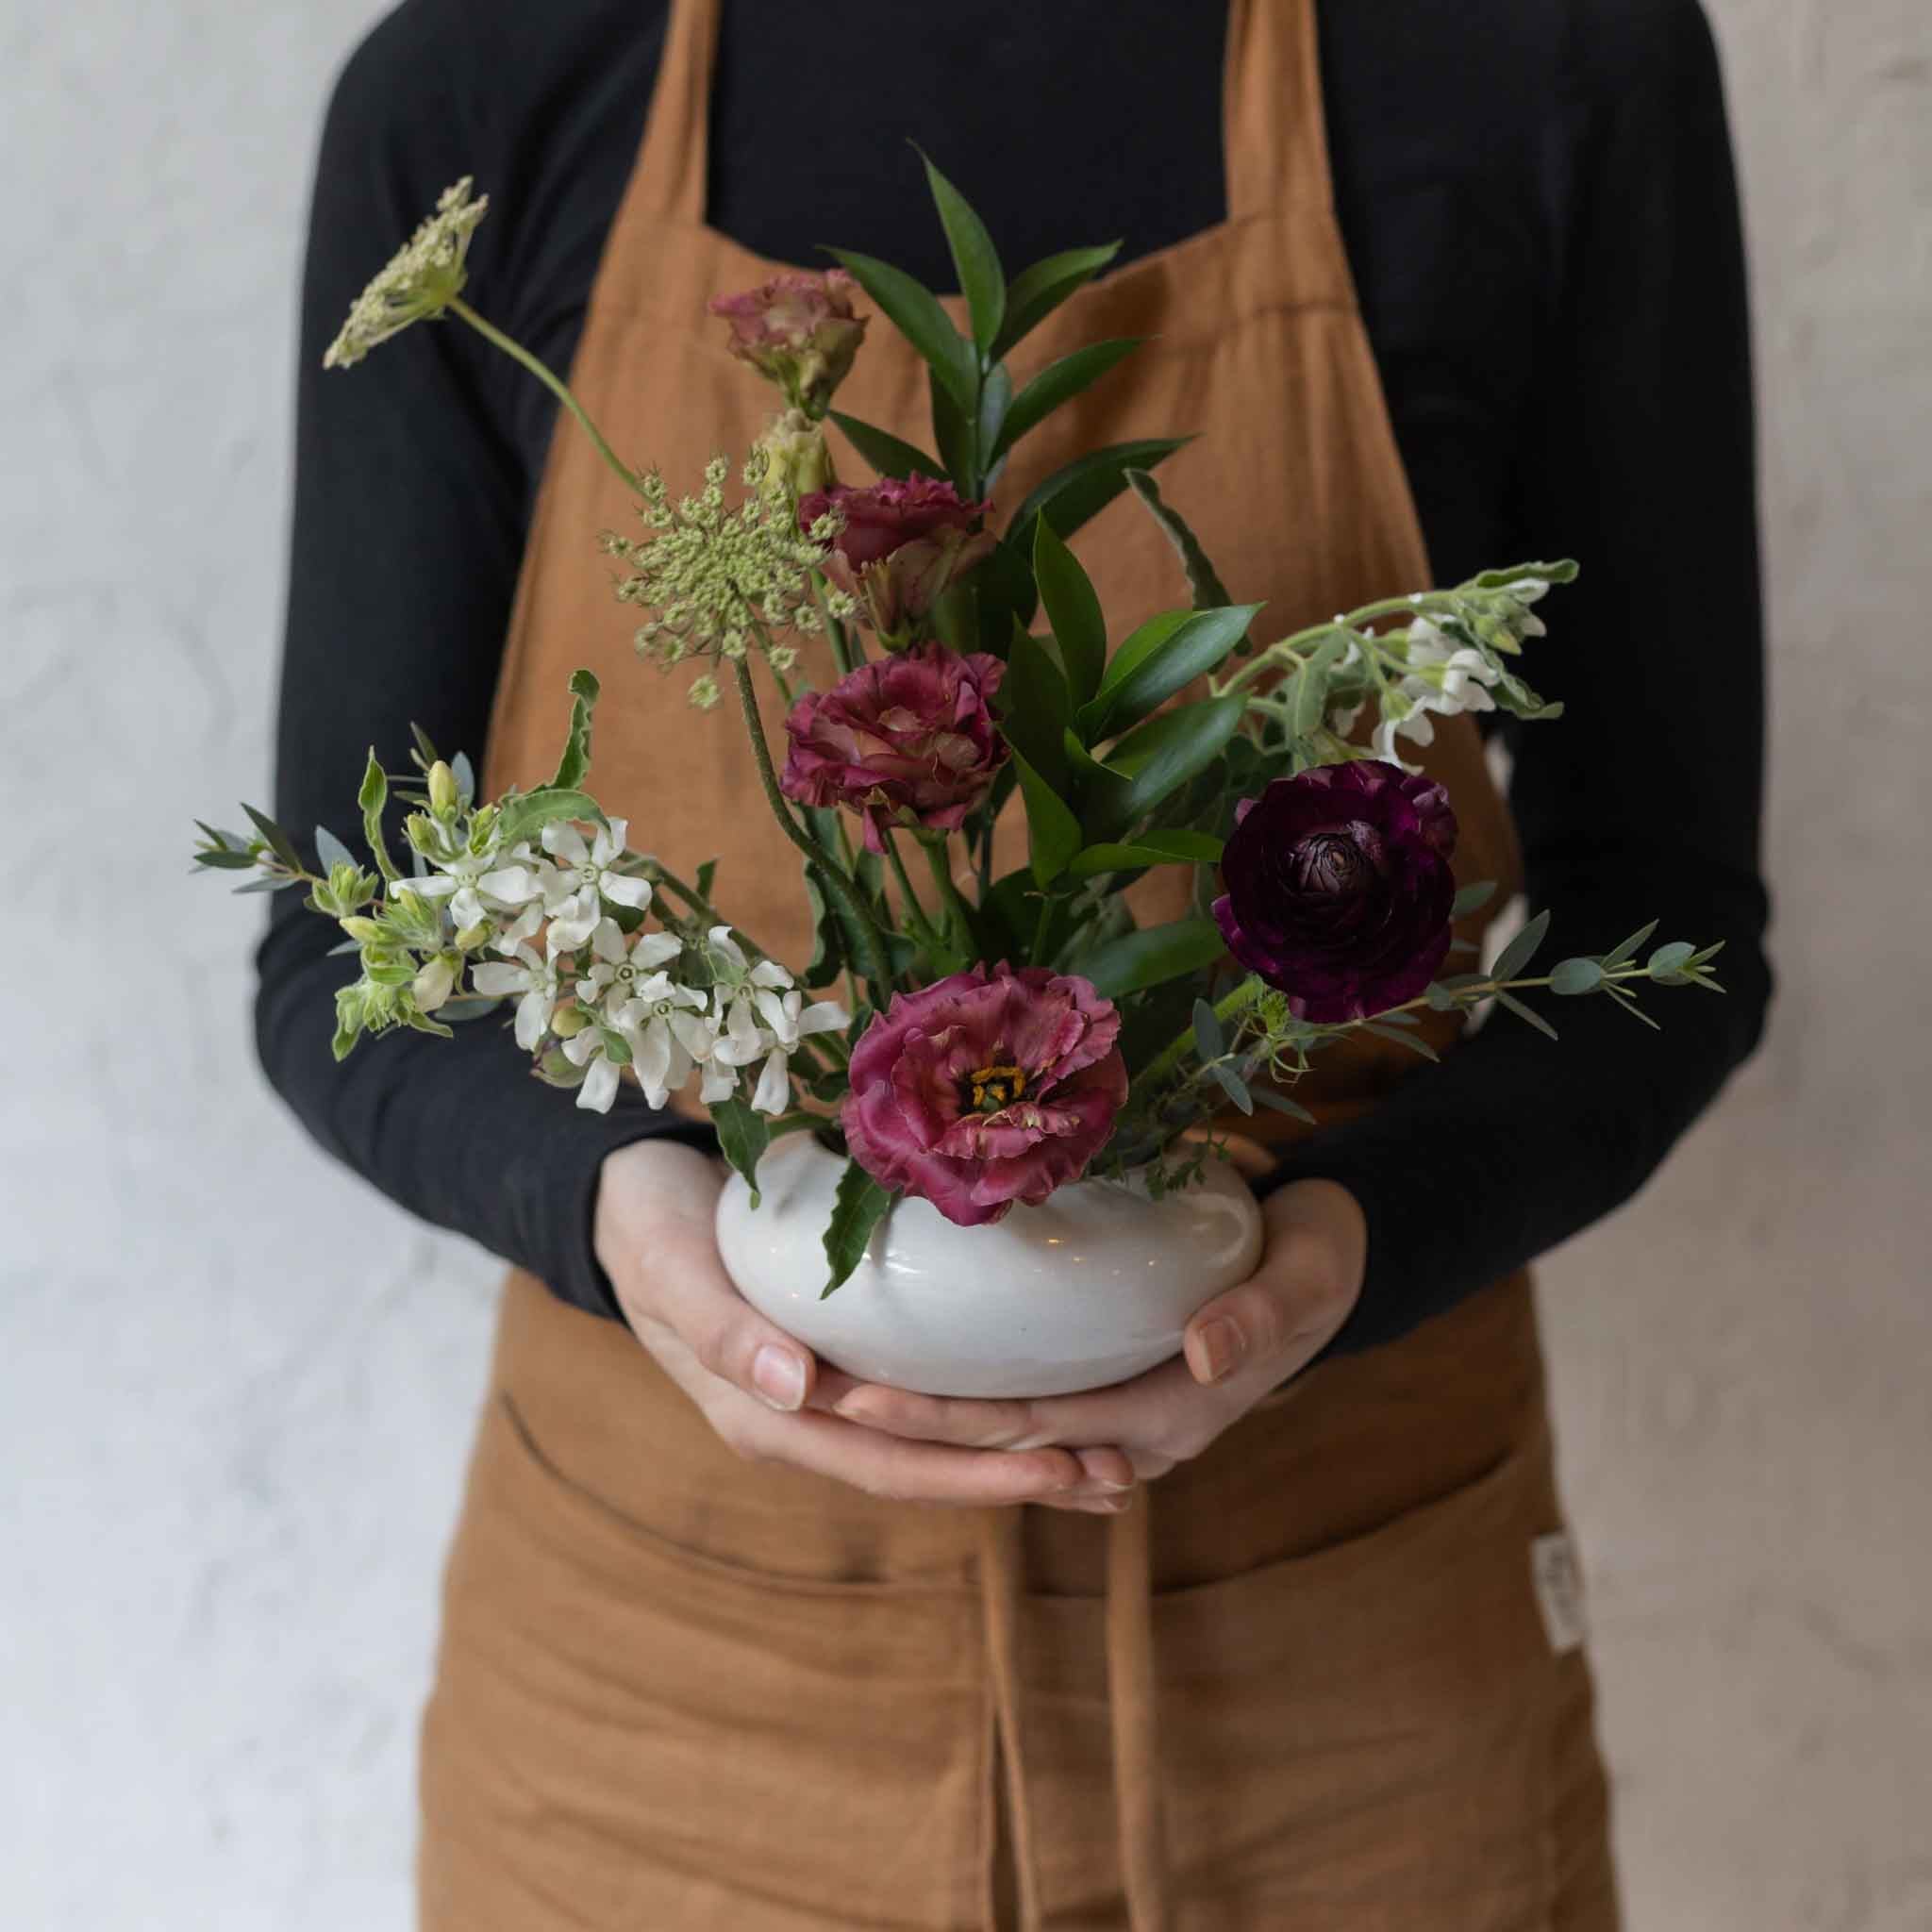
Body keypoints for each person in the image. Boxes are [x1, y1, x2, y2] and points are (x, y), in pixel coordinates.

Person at [262, 1, 1771, 1924]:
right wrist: (622, 1216)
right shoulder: (491, 94)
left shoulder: (1543, 64)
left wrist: (1343, 1253)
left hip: (1349, 1698)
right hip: (668, 1701)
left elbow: (1668, 921)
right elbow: (338, 955)